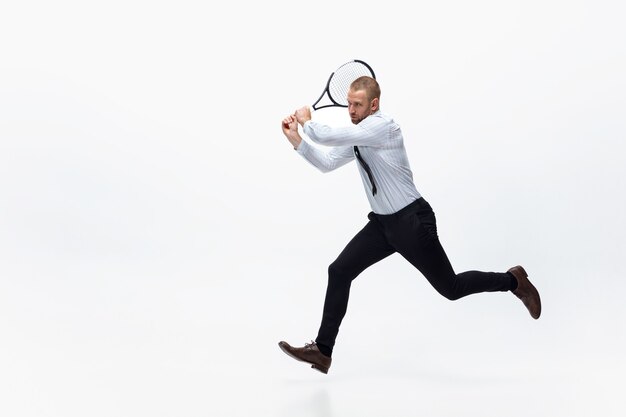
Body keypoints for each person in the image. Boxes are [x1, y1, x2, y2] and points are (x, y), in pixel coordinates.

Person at [278, 76, 541, 374]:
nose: (350, 110)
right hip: (382, 226)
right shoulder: (359, 135)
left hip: (411, 222)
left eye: (357, 104)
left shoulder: (382, 126)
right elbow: (326, 162)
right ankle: (323, 351)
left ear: (373, 104)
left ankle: (514, 281)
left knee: (450, 288)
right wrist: (296, 139)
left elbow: (325, 136)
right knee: (339, 271)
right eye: (349, 103)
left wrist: (308, 121)